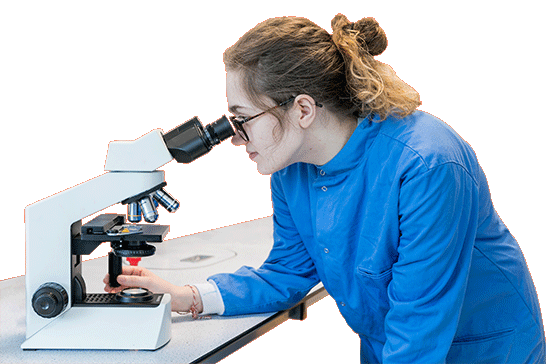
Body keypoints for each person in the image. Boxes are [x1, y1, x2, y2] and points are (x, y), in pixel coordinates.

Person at [104, 15, 545, 363]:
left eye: (243, 120)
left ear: (303, 109)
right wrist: (190, 297)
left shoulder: (426, 163)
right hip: (390, 348)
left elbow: (420, 320)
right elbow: (287, 274)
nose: (235, 137)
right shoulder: (291, 170)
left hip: (482, 349)